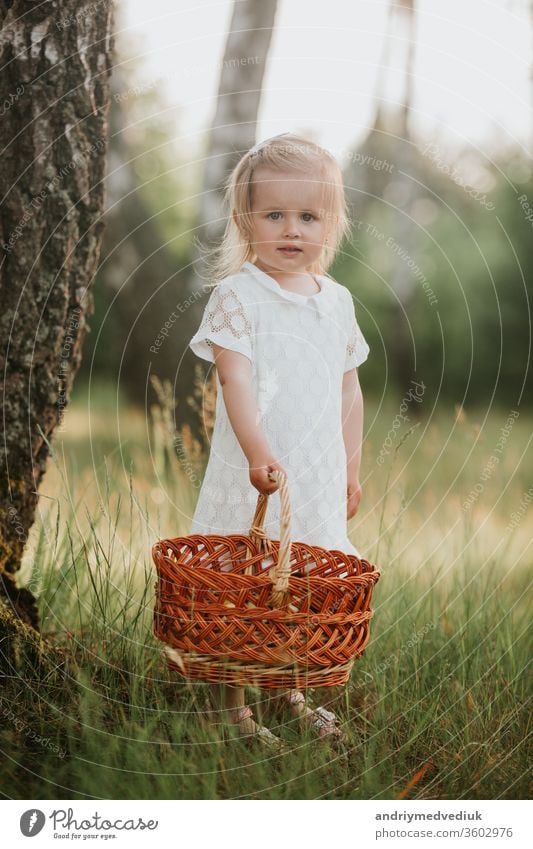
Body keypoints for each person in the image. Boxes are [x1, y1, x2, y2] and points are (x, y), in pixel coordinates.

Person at [187, 132, 370, 749]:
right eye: (274, 215)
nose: (292, 230)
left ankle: (285, 689)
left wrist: (350, 466)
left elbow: (350, 391)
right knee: (243, 586)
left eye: (308, 216)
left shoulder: (338, 301)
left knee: (296, 589)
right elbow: (233, 376)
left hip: (314, 477)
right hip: (259, 469)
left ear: (332, 223)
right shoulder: (238, 295)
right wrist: (259, 452)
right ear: (246, 220)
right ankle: (229, 707)